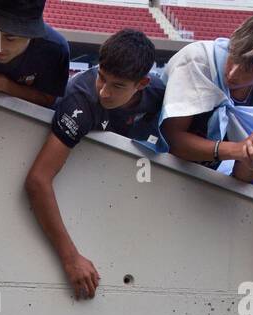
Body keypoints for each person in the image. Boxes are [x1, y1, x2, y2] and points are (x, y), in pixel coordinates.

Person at [25, 28, 164, 299]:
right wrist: (70, 258)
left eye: (118, 86)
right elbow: (37, 181)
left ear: (142, 84)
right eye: (102, 77)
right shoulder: (80, 101)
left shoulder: (159, 93)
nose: (104, 91)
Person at [159, 11, 253, 184]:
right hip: (160, 171)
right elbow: (170, 140)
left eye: (247, 69)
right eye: (233, 56)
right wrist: (235, 149)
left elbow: (244, 179)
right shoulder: (198, 60)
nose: (232, 73)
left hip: (209, 184)